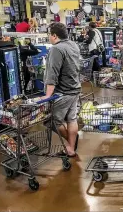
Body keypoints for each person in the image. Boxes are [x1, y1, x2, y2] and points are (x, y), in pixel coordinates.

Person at [43, 22, 81, 156]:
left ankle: (71, 141)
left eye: (49, 34)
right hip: (75, 88)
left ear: (54, 35)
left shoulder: (56, 49)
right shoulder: (73, 45)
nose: (48, 37)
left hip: (62, 92)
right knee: (71, 119)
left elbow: (52, 74)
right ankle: (71, 148)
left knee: (51, 120)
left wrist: (47, 96)